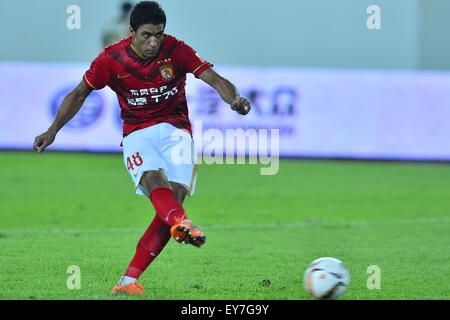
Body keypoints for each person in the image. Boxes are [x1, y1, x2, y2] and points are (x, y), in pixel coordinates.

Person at [33, 1, 251, 295]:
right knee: (153, 181)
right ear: (132, 31)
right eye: (147, 35)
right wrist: (52, 130)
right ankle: (180, 223)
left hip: (177, 132)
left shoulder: (176, 50)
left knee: (172, 203)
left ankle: (128, 281)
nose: (153, 42)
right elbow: (79, 93)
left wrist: (234, 99)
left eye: (159, 35)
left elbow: (213, 78)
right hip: (138, 132)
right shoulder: (111, 59)